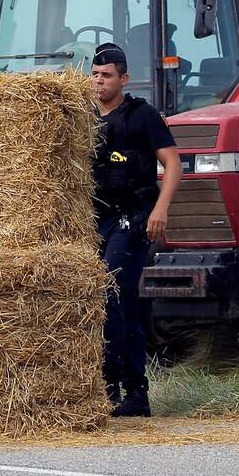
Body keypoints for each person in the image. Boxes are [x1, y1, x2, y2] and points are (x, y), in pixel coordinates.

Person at [90, 43, 180, 417]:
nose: (99, 82)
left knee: (115, 293)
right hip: (96, 218)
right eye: (95, 75)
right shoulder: (83, 117)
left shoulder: (142, 115)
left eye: (107, 76)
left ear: (123, 79)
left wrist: (161, 209)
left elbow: (173, 164)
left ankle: (134, 393)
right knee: (95, 299)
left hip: (133, 216)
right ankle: (105, 389)